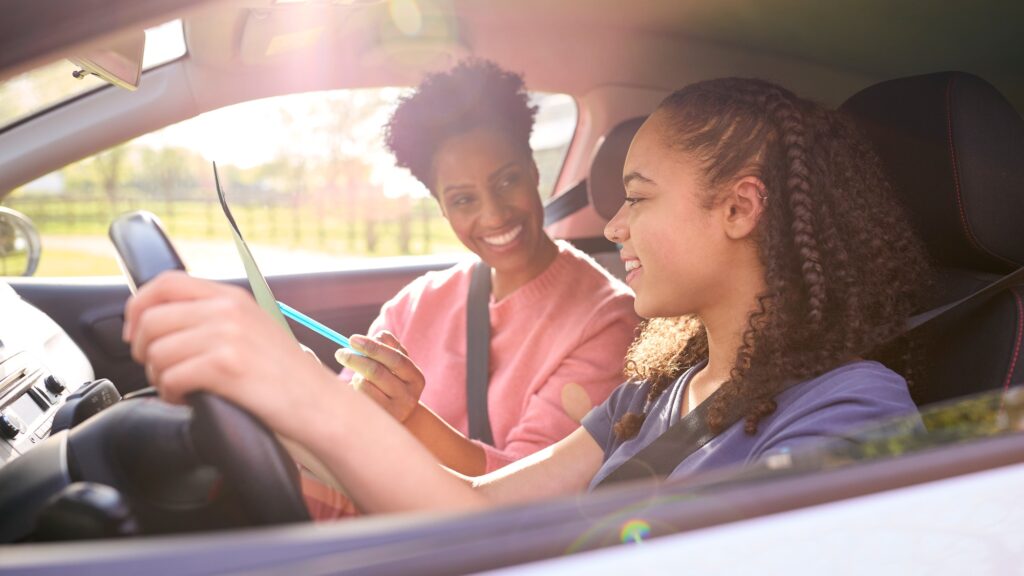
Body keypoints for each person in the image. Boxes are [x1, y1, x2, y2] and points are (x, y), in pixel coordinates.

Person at [124, 77, 929, 514]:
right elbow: (481, 510)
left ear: (740, 208)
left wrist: (300, 392)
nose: (612, 225)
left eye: (639, 197)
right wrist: (305, 400)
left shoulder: (852, 405)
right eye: (460, 197)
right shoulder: (649, 396)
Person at [305, 60, 640, 516]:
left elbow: (526, 489)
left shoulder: (607, 320)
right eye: (463, 199)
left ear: (533, 171)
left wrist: (407, 416)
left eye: (507, 181)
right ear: (442, 209)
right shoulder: (417, 302)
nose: (495, 214)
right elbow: (342, 433)